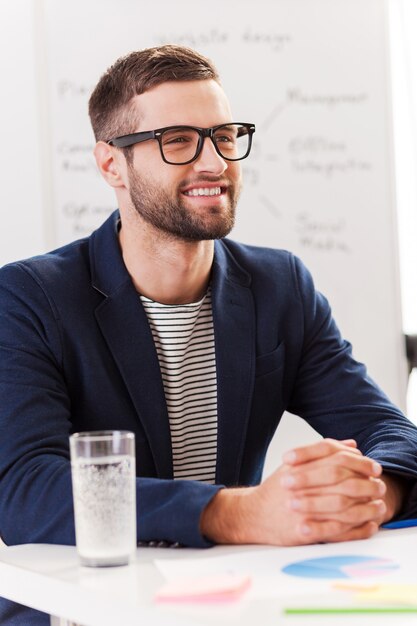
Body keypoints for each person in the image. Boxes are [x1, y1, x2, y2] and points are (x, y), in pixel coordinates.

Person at [1, 44, 417, 624]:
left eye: (224, 135)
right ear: (109, 165)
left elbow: (389, 432)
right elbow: (24, 491)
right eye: (178, 141)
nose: (215, 162)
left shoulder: (279, 286)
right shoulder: (29, 297)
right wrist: (242, 513)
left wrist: (364, 494)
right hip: (81, 612)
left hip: (223, 604)